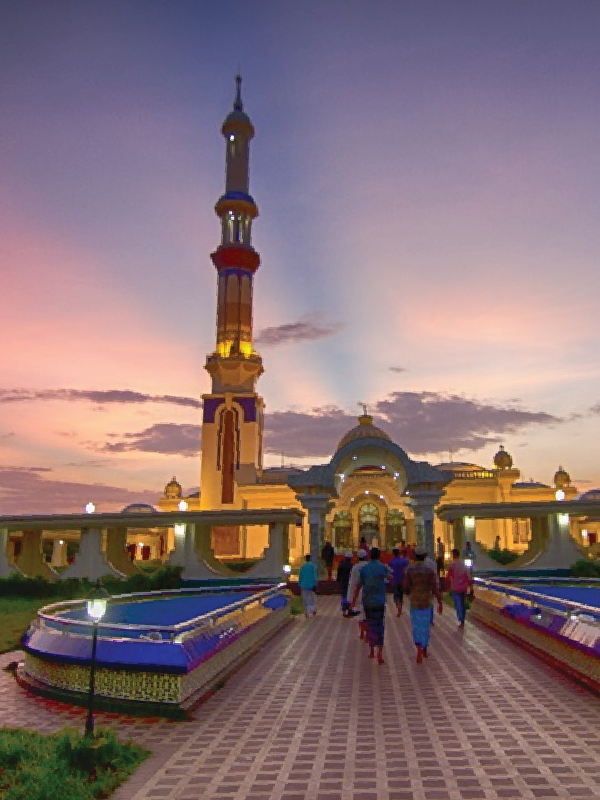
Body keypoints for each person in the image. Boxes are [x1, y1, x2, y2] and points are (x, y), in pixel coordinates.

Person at [350, 547, 391, 665]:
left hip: (367, 601)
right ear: (379, 556)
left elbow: (358, 586)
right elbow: (390, 577)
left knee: (370, 624)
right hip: (379, 601)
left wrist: (353, 602)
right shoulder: (382, 567)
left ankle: (372, 650)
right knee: (379, 624)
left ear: (369, 556)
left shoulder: (364, 569)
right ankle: (380, 653)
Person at [403, 545, 443, 663]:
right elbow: (435, 588)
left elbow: (405, 586)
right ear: (425, 556)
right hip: (427, 601)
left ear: (415, 556)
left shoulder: (410, 570)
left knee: (416, 625)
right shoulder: (429, 571)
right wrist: (440, 601)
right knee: (425, 626)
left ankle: (418, 646)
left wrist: (409, 592)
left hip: (415, 601)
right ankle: (423, 647)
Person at [446, 548, 474, 628]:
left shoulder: (452, 565)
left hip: (455, 588)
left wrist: (447, 585)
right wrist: (471, 587)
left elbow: (448, 577)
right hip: (463, 587)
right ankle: (462, 620)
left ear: (453, 555)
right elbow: (468, 577)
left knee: (458, 604)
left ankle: (461, 619)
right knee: (462, 604)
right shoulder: (463, 565)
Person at [347, 549, 369, 639]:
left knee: (360, 614)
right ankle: (367, 632)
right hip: (368, 592)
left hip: (358, 593)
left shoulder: (355, 567)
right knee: (367, 614)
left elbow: (352, 583)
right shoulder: (368, 566)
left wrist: (351, 598)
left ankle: (362, 632)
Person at [388, 547, 410, 616]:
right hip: (401, 580)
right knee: (400, 594)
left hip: (395, 580)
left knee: (396, 595)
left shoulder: (391, 561)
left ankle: (399, 609)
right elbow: (407, 565)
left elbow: (390, 569)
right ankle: (400, 609)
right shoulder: (403, 561)